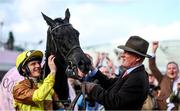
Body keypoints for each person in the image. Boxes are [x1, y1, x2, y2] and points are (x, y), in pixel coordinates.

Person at [82, 36, 150, 110]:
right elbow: (111, 84)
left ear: (138, 58)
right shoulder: (132, 72)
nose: (122, 55)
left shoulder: (137, 78)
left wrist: (94, 89)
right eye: (124, 51)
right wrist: (92, 68)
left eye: (127, 52)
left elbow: (115, 102)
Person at [148, 41, 180, 110]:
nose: (171, 70)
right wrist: (153, 50)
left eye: (174, 68)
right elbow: (152, 67)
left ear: (178, 70)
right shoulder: (162, 78)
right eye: (169, 68)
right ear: (166, 71)